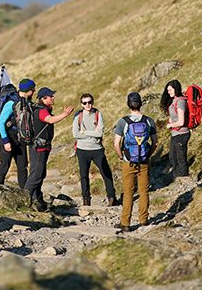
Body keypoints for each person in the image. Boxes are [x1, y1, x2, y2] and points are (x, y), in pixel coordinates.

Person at [24, 87, 74, 211]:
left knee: (39, 173)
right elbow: (50, 120)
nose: (53, 98)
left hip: (41, 147)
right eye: (50, 96)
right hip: (39, 148)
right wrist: (64, 114)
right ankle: (25, 200)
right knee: (36, 174)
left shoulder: (43, 109)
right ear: (43, 98)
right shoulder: (41, 111)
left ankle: (36, 200)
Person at [113, 92, 156, 232]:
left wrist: (121, 156)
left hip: (128, 161)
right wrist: (148, 155)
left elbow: (116, 144)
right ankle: (144, 220)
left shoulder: (123, 122)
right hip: (143, 161)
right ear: (140, 104)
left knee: (128, 192)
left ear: (128, 104)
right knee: (144, 191)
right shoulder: (149, 121)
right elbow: (154, 142)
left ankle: (125, 223)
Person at [72, 93, 117, 207]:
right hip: (82, 150)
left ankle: (111, 197)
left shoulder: (98, 114)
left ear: (93, 102)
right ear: (81, 104)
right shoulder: (78, 116)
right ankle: (86, 199)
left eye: (90, 102)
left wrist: (85, 132)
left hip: (97, 149)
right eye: (85, 103)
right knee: (83, 175)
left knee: (106, 172)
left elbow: (100, 132)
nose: (88, 105)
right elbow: (75, 134)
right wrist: (92, 135)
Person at [0, 79, 34, 188]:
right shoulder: (11, 102)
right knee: (5, 165)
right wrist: (6, 141)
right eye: (32, 89)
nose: (34, 91)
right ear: (27, 90)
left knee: (22, 166)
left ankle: (25, 192)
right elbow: (1, 122)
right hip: (8, 136)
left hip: (20, 138)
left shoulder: (27, 102)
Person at [161, 79, 190, 180]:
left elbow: (181, 122)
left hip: (182, 133)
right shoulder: (174, 101)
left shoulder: (181, 101)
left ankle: (183, 177)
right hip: (175, 134)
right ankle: (176, 175)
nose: (168, 92)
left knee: (180, 157)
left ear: (175, 89)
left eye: (170, 90)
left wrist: (170, 125)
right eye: (167, 90)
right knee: (173, 156)